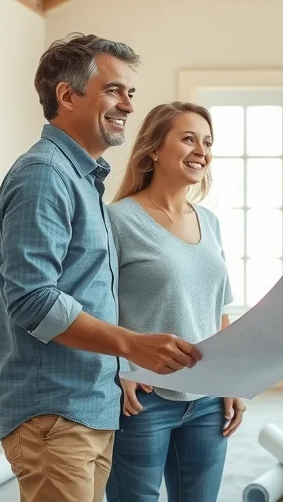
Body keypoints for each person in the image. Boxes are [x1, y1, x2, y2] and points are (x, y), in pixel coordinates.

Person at [0, 34, 202, 502]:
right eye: (113, 90)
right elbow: (32, 300)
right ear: (67, 95)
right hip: (54, 412)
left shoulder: (83, 181)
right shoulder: (45, 174)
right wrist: (132, 344)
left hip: (86, 406)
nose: (127, 104)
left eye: (130, 93)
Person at [103, 101, 247, 502]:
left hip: (207, 398)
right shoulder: (116, 220)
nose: (202, 150)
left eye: (207, 142)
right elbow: (95, 306)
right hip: (144, 397)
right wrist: (120, 368)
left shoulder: (210, 222)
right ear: (153, 149)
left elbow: (220, 310)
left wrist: (230, 381)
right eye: (188, 139)